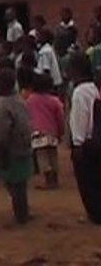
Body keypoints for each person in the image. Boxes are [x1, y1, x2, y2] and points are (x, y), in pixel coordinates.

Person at [0, 68, 33, 224]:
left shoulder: (2, 104)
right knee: (20, 183)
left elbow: (1, 131)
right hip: (23, 145)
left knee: (13, 184)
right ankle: (23, 212)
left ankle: (21, 215)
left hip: (9, 149)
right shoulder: (19, 100)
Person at [68, 53, 101, 224]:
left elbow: (81, 118)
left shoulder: (80, 92)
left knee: (87, 181)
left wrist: (78, 143)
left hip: (86, 143)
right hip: (96, 140)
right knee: (95, 179)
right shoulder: (93, 88)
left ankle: (95, 214)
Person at [26, 72, 64, 189]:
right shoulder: (55, 101)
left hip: (38, 132)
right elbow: (60, 117)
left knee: (42, 156)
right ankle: (55, 179)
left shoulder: (31, 99)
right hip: (52, 131)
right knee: (53, 155)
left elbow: (27, 115)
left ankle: (48, 180)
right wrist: (60, 131)